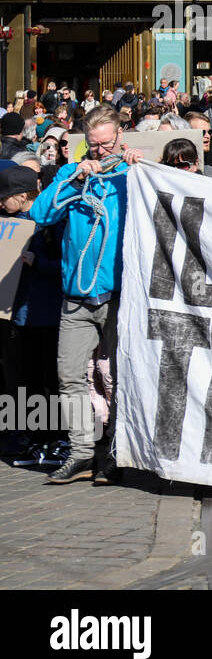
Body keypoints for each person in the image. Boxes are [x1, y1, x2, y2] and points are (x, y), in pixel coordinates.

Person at [29, 105, 146, 485]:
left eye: (105, 143)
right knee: (69, 376)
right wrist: (76, 180)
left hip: (116, 295)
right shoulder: (71, 173)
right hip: (76, 298)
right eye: (92, 144)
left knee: (119, 378)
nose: (98, 151)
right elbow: (41, 214)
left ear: (120, 138)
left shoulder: (132, 176)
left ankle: (114, 452)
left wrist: (141, 169)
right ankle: (81, 452)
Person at [0, 165, 65, 468]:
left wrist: (38, 262)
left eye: (5, 198)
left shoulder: (48, 224)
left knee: (47, 380)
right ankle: (24, 437)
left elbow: (66, 266)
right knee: (20, 382)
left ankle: (53, 439)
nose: (1, 204)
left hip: (45, 315)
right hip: (16, 316)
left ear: (23, 195)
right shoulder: (8, 222)